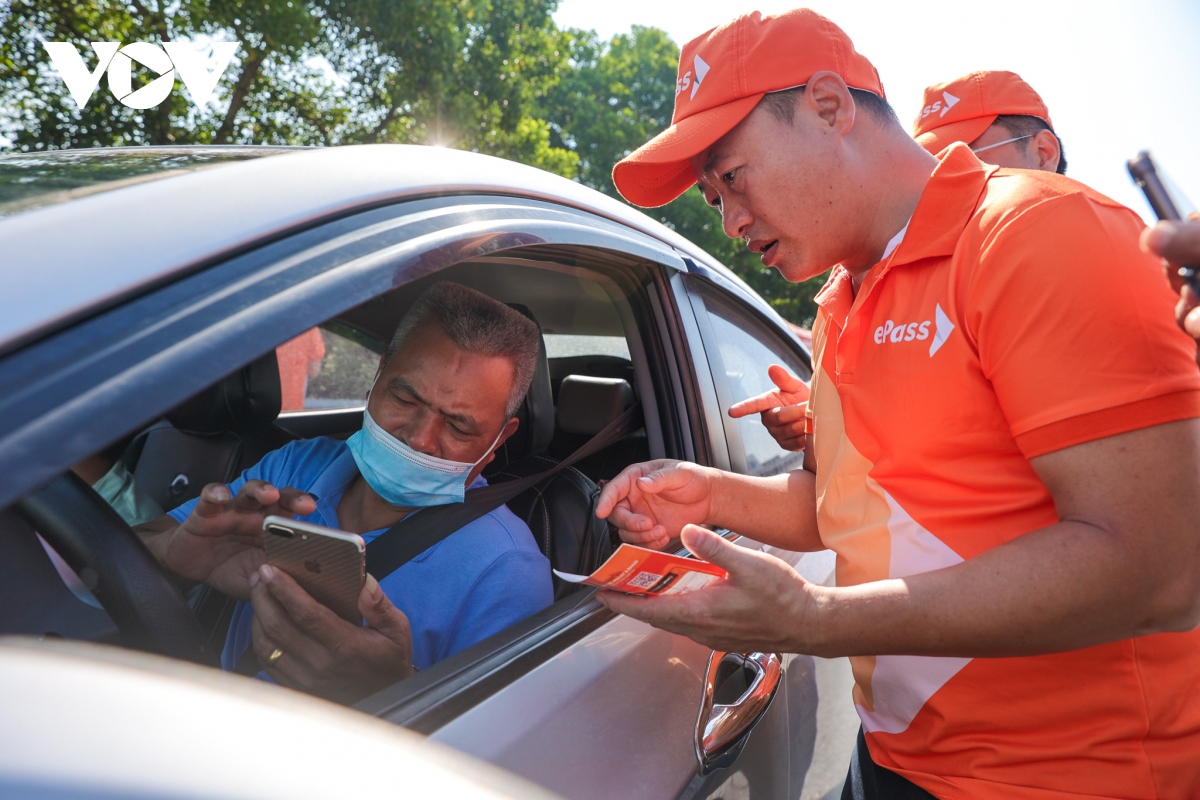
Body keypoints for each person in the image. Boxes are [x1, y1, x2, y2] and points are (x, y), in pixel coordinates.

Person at [600, 8, 1200, 798]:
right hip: (892, 761)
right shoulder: (840, 302)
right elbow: (855, 510)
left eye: (733, 178)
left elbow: (1159, 567)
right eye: (712, 200)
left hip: (1069, 776)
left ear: (828, 105)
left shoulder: (1035, 232)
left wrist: (818, 620)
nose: (731, 220)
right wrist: (712, 495)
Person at [137, 281, 553, 703]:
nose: (420, 438)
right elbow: (131, 548)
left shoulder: (507, 571)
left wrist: (390, 692)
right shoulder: (295, 467)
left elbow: (491, 749)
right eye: (406, 398)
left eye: (459, 426)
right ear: (379, 374)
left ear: (499, 441)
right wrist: (172, 556)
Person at [747, 69, 1069, 453]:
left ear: (1044, 153)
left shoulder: (1076, 260)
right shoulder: (868, 280)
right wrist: (831, 412)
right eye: (930, 159)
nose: (941, 175)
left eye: (962, 153)